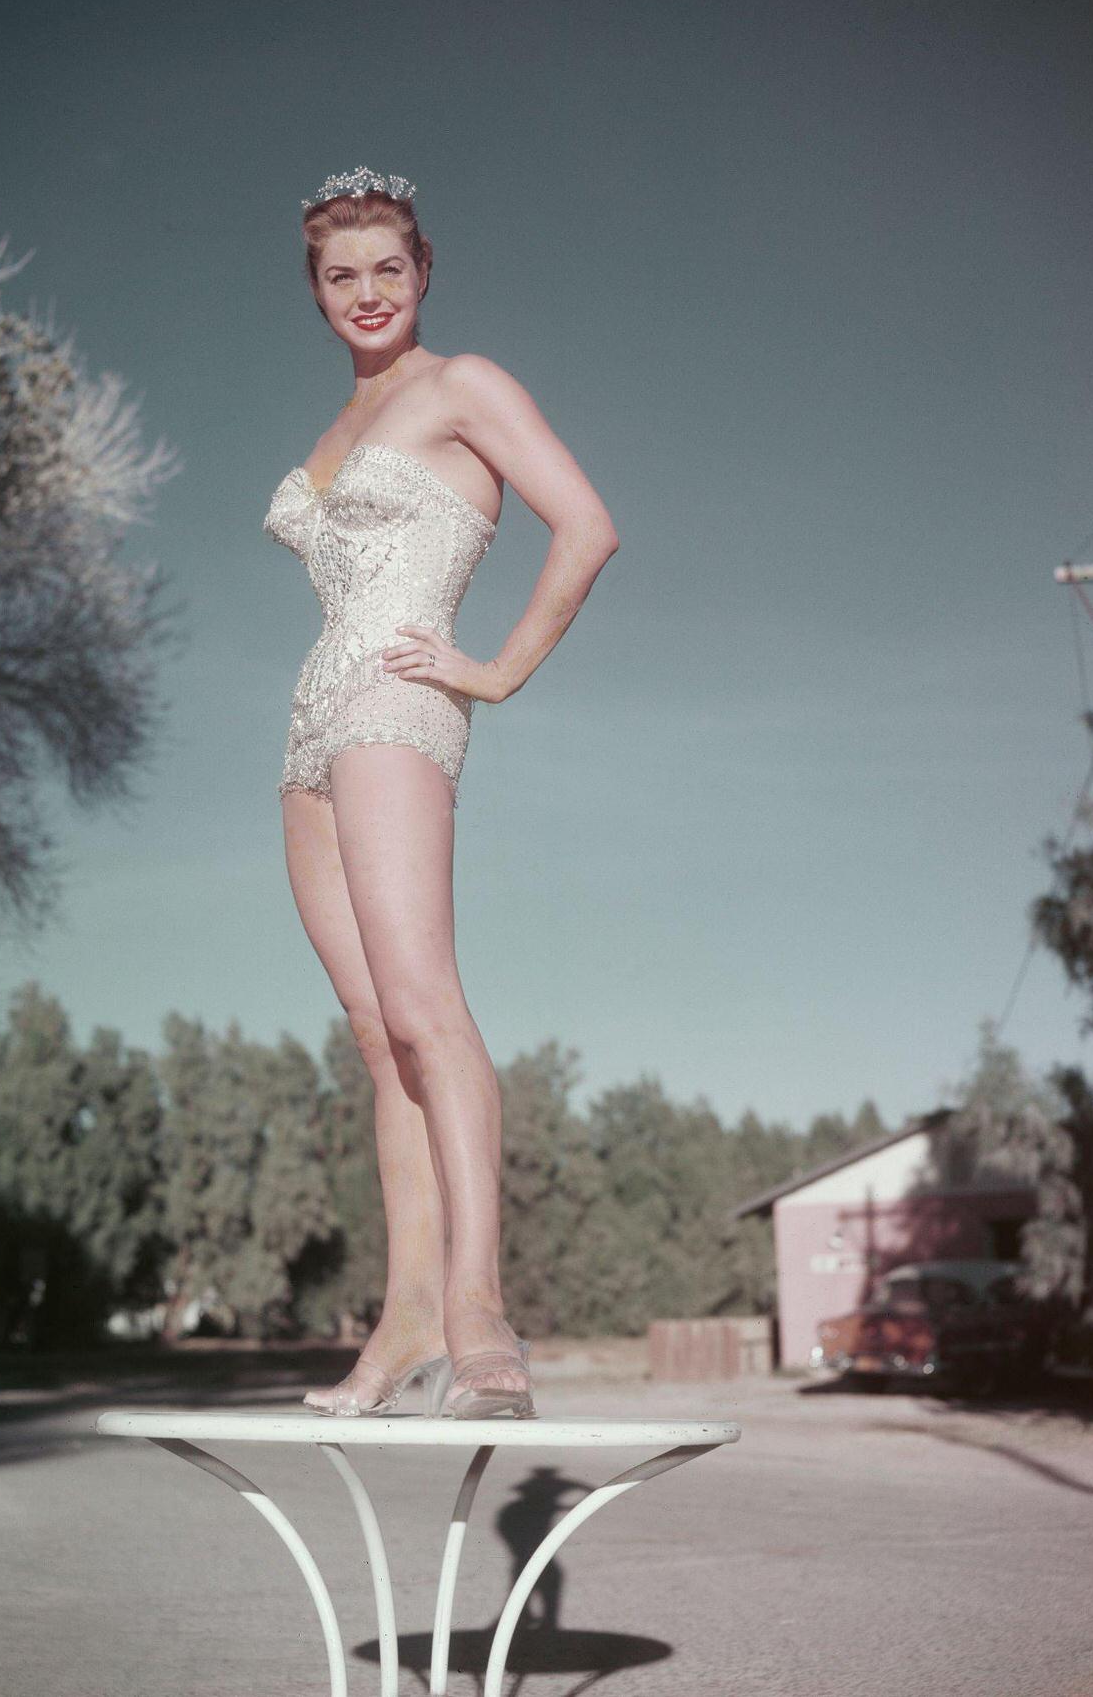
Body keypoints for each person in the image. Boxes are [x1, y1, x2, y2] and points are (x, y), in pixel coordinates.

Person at [263, 166, 619, 1417]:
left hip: (399, 704)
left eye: (386, 270)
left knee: (426, 1008)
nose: (366, 292)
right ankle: (404, 1312)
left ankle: (478, 1312)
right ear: (316, 290)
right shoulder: (331, 430)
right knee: (375, 1041)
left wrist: (497, 672)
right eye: (339, 274)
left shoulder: (461, 385)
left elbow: (584, 526)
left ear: (422, 275)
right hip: (308, 728)